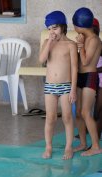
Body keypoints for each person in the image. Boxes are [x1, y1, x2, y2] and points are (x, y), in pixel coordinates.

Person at [38, 10, 78, 160]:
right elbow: (42, 60)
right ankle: (48, 146)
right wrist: (49, 42)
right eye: (49, 29)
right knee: (50, 118)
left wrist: (73, 89)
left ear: (63, 27)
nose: (52, 32)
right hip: (50, 86)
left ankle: (69, 147)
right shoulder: (47, 43)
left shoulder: (71, 45)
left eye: (55, 28)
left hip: (66, 86)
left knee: (67, 117)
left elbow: (75, 68)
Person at [72, 7, 102, 156]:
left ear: (79, 26)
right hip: (80, 77)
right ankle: (83, 143)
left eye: (75, 26)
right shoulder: (85, 38)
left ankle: (96, 146)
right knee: (78, 112)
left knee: (85, 112)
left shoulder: (94, 39)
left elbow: (85, 61)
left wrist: (80, 45)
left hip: (90, 76)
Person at [91, 18, 102, 140]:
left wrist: (94, 70)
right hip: (95, 79)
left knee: (98, 110)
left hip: (100, 80)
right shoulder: (87, 45)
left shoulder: (100, 45)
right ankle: (91, 131)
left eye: (95, 31)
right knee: (92, 110)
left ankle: (96, 138)